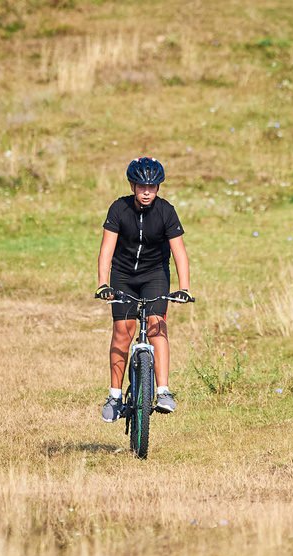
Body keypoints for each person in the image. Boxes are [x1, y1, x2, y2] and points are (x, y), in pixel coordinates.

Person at [94, 157, 191, 422]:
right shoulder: (118, 208)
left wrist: (184, 287)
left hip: (155, 275)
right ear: (132, 185)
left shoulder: (166, 211)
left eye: (152, 187)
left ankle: (163, 392)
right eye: (141, 186)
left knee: (156, 324)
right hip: (123, 275)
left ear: (158, 188)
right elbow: (106, 251)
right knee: (122, 332)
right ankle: (114, 396)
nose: (146, 192)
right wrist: (104, 283)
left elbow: (179, 252)